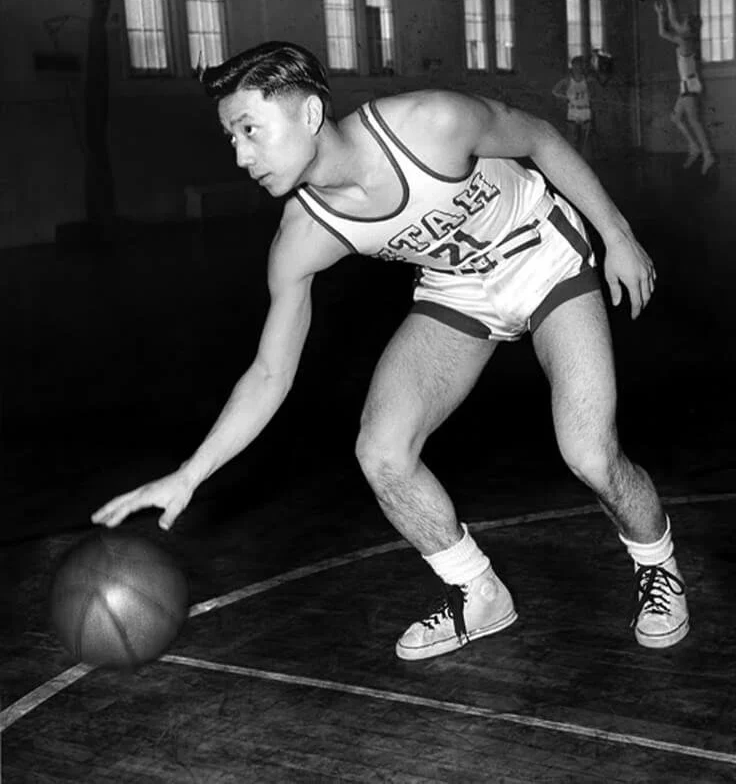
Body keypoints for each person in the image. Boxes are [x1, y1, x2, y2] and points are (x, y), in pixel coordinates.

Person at [92, 41, 689, 658]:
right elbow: (270, 373)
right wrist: (190, 474)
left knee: (589, 453)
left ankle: (658, 566)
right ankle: (478, 591)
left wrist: (616, 234)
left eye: (250, 130)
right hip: (458, 290)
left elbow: (539, 137)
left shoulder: (428, 124)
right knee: (382, 452)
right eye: (231, 139)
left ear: (309, 114)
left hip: (541, 255)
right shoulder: (303, 236)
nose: (241, 156)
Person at [655, 0, 715, 175]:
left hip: (689, 85)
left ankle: (707, 154)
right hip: (687, 84)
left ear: (688, 28)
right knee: (676, 118)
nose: (680, 23)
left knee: (694, 121)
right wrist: (668, 2)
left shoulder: (684, 40)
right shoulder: (687, 37)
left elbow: (664, 31)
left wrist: (661, 13)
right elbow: (674, 21)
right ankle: (695, 146)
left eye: (684, 23)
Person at [552, 55, 595, 159]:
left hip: (585, 110)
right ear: (572, 66)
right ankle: (572, 159)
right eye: (576, 65)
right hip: (573, 111)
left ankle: (585, 160)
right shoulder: (567, 80)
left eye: (580, 65)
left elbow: (594, 93)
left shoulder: (588, 80)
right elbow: (554, 91)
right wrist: (564, 97)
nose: (579, 67)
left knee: (586, 141)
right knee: (572, 139)